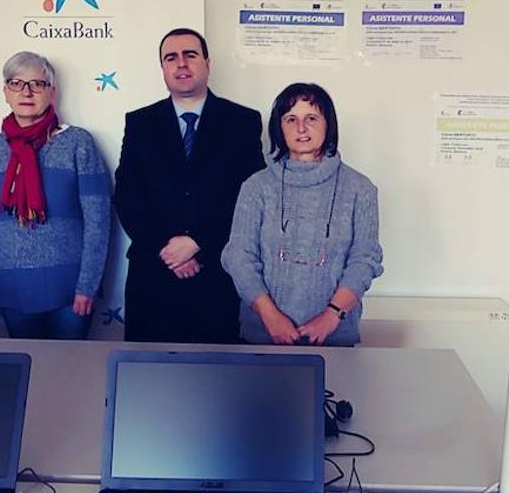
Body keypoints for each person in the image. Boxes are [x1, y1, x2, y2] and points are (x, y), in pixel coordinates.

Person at [114, 27, 265, 343]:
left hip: (216, 275)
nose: (181, 64)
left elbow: (250, 199)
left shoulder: (242, 121)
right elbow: (128, 197)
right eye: (171, 57)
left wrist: (198, 242)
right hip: (153, 275)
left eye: (190, 55)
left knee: (216, 381)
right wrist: (168, 249)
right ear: (163, 69)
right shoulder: (140, 123)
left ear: (207, 63)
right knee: (149, 380)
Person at [222, 83, 383, 346]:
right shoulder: (256, 187)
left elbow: (364, 260)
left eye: (311, 118)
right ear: (279, 128)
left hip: (334, 337)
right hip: (263, 336)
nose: (301, 128)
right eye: (291, 119)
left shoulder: (360, 189)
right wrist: (271, 317)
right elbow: (239, 256)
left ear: (328, 124)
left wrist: (331, 316)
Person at [0, 51, 112, 339]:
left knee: (70, 373)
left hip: (70, 293)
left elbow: (98, 222)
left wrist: (88, 285)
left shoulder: (78, 143)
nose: (27, 91)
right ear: (5, 92)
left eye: (37, 84)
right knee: (29, 374)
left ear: (52, 93)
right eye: (16, 83)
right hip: (12, 290)